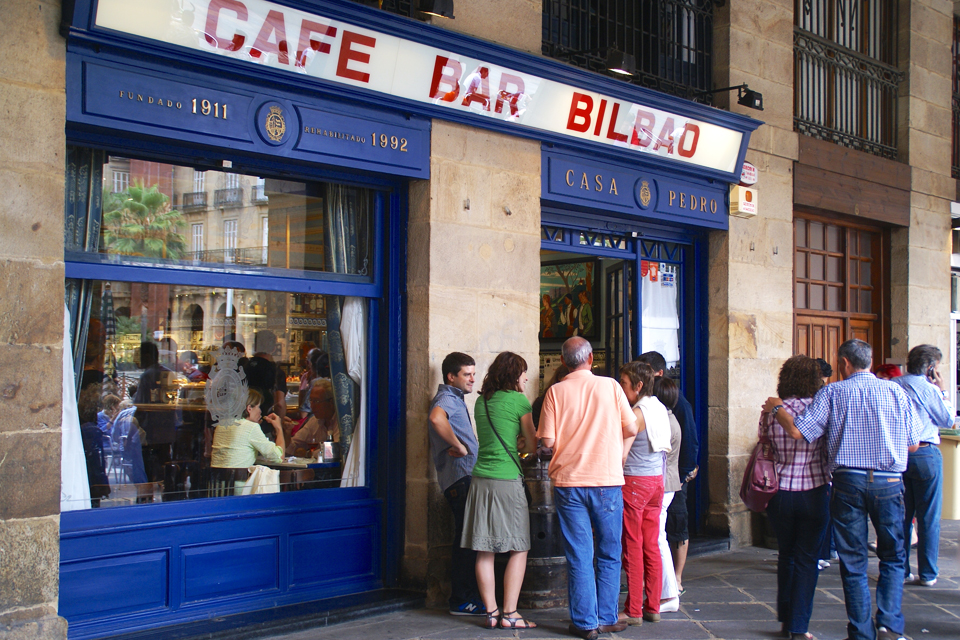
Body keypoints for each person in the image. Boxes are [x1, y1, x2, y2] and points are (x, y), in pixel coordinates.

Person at [763, 339, 922, 640]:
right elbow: (913, 443)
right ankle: (889, 624)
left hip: (847, 481)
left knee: (853, 559)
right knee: (893, 555)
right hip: (889, 481)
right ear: (869, 361)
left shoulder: (832, 392)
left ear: (844, 363)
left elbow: (800, 432)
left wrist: (778, 408)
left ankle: (861, 631)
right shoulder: (896, 391)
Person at [539, 337, 638, 640]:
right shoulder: (610, 387)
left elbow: (547, 442)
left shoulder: (555, 392)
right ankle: (607, 617)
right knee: (609, 552)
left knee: (579, 554)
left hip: (569, 482)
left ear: (563, 362)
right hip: (606, 480)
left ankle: (585, 623)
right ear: (591, 358)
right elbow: (632, 427)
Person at [462, 352, 538, 629]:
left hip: (480, 480)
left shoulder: (482, 401)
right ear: (513, 375)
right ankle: (510, 614)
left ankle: (491, 613)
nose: (526, 378)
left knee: (484, 550)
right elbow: (531, 445)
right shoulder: (519, 401)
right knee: (519, 547)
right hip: (507, 481)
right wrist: (520, 446)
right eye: (523, 373)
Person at [762, 355, 830, 640]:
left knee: (786, 555)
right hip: (814, 490)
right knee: (807, 559)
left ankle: (786, 620)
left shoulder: (771, 410)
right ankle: (799, 627)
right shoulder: (820, 407)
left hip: (780, 492)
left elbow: (764, 445)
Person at [635, 351, 699, 594]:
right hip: (663, 478)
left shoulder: (675, 405)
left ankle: (675, 581)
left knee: (673, 529)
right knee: (659, 532)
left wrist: (683, 474)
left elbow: (689, 440)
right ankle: (661, 583)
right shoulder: (649, 405)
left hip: (672, 478)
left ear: (658, 373)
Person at [427, 352, 484, 616]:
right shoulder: (446, 398)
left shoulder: (456, 399)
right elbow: (437, 418)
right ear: (451, 377)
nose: (473, 379)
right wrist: (458, 445)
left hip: (463, 479)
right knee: (466, 540)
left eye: (473, 373)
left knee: (469, 539)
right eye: (467, 374)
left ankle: (468, 597)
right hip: (460, 479)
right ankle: (461, 599)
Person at [892, 345, 954, 587]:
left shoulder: (894, 385)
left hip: (899, 454)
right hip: (925, 452)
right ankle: (927, 573)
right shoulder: (930, 390)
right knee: (928, 516)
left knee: (901, 515)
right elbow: (947, 420)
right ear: (930, 368)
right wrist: (943, 391)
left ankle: (901, 569)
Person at [617, 361, 670, 625]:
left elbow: (621, 444)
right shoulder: (659, 407)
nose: (621, 387)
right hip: (656, 483)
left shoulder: (638, 413)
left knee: (632, 546)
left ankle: (634, 610)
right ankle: (653, 606)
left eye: (624, 383)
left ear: (638, 386)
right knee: (652, 545)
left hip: (635, 484)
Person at [211, 388, 285, 492]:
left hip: (216, 490)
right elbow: (278, 457)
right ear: (249, 408)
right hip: (239, 492)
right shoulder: (251, 427)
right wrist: (279, 429)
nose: (260, 411)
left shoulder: (221, 425)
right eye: (258, 407)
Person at [652, 375, 682, 614]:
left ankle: (669, 594)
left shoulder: (665, 423)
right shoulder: (671, 419)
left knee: (659, 539)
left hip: (664, 485)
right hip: (668, 484)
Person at [287, 378, 339, 456]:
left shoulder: (341, 422)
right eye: (311, 401)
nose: (312, 406)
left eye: (316, 401)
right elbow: (292, 447)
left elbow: (336, 451)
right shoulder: (314, 421)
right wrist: (286, 432)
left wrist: (309, 454)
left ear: (331, 402)